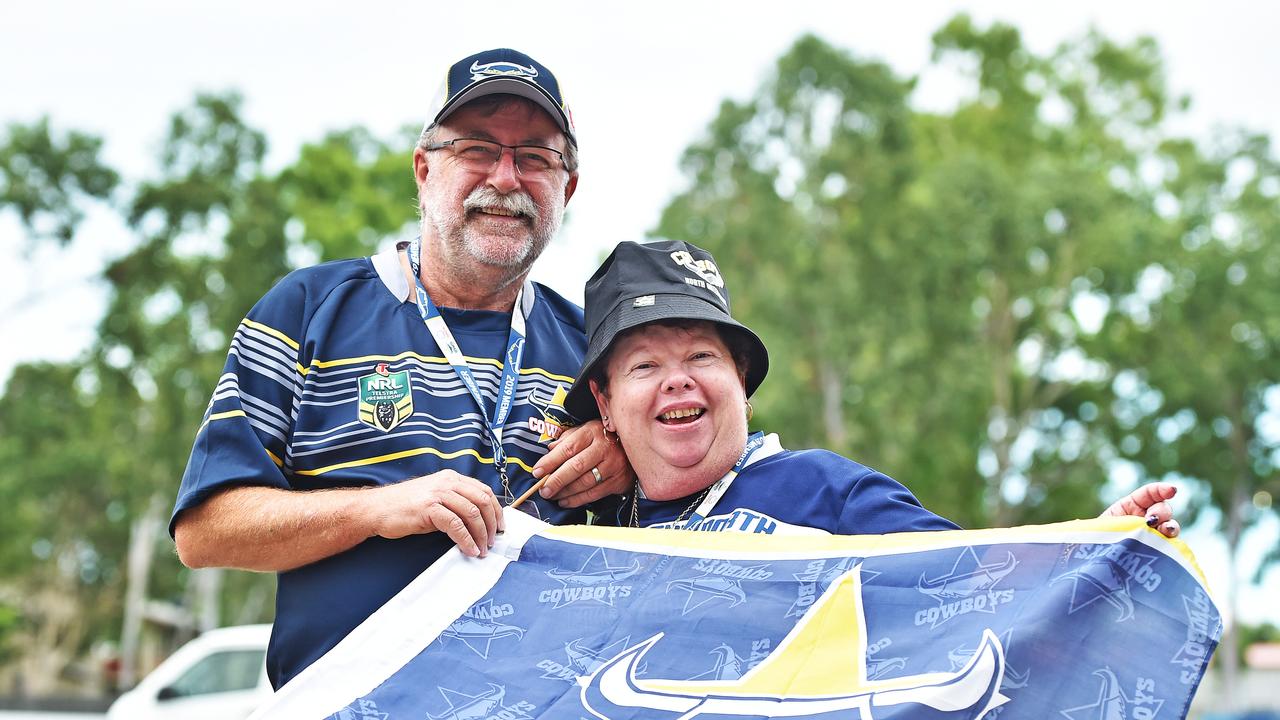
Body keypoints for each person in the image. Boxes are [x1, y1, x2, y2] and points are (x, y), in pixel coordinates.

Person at [171, 48, 631, 689]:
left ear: (567, 188)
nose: (505, 177)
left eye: (535, 157)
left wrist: (623, 461)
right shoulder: (309, 310)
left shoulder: (596, 346)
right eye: (476, 148)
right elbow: (206, 531)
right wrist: (376, 510)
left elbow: (677, 514)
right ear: (424, 169)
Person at [562, 240, 1181, 537]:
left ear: (742, 384)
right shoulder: (591, 537)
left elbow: (977, 586)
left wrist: (1097, 551)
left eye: (703, 355)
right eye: (644, 366)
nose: (678, 379)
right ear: (607, 406)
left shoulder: (826, 492)